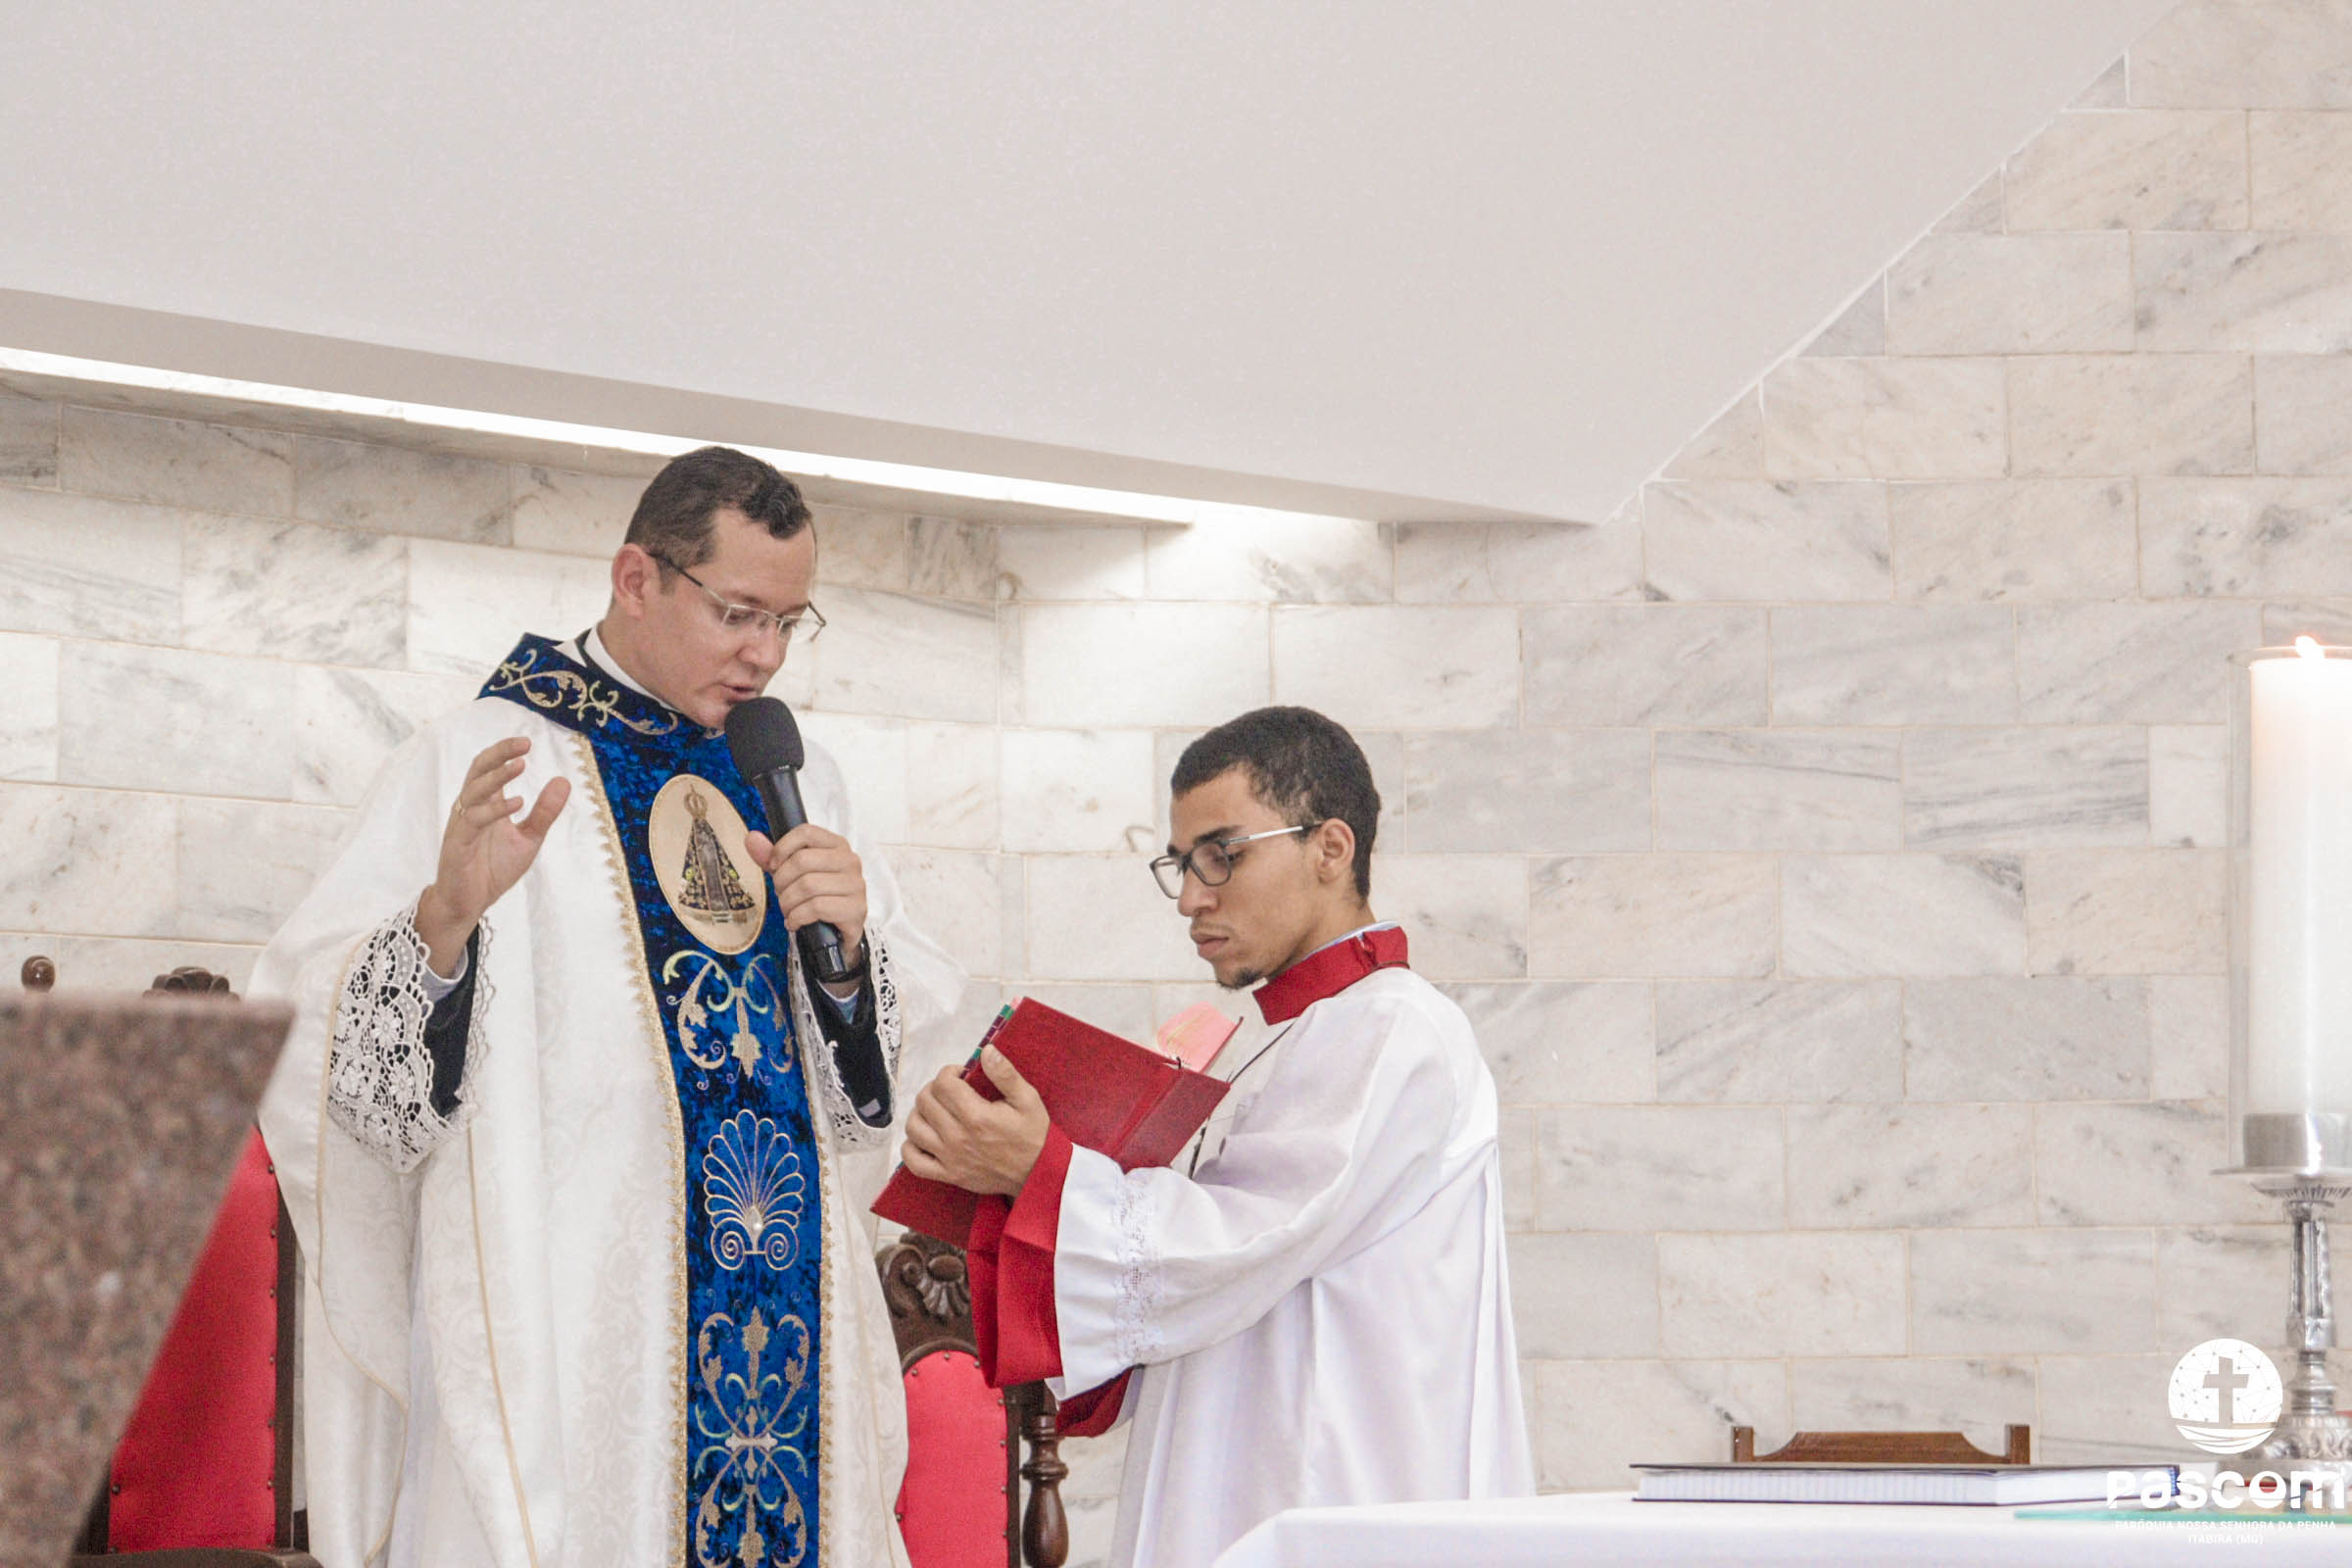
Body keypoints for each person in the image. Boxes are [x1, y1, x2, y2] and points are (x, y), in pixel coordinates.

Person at [253, 447, 962, 1568]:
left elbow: (883, 1082)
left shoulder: (801, 781)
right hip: (571, 1326)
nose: (766, 653)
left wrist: (846, 965)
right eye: (738, 613)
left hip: (790, 1333)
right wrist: (441, 926)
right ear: (637, 578)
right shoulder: (486, 759)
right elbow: (323, 1054)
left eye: (789, 621)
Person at [900, 706, 1532, 1568]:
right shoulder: (1295, 1038)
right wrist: (1027, 1172)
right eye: (1182, 864)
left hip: (1330, 1488)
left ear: (1330, 848)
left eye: (1222, 856)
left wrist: (1042, 1171)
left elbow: (1242, 1242)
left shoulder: (1392, 1028)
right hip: (1249, 1472)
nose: (1193, 897)